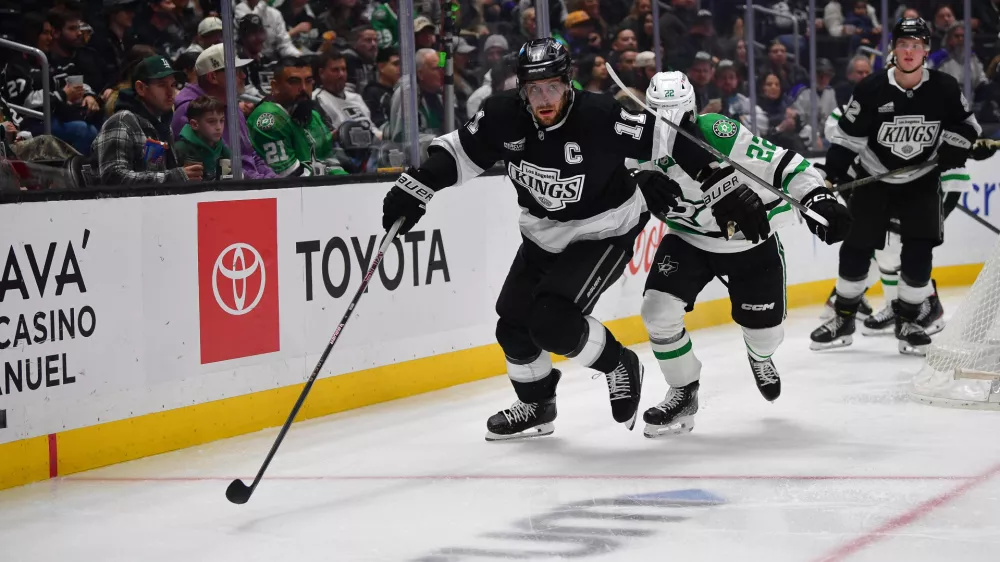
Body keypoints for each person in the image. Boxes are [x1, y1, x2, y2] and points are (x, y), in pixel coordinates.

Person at [379, 39, 761, 441]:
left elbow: (670, 139)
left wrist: (722, 183)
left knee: (552, 322)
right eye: (534, 89)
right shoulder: (501, 115)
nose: (544, 99)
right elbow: (458, 153)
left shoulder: (600, 115)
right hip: (542, 234)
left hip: (606, 230)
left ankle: (620, 365)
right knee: (513, 325)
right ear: (521, 89)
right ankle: (536, 406)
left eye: (553, 88)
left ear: (568, 84)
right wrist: (416, 186)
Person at [626, 71, 850, 438]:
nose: (665, 128)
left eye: (675, 118)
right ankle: (683, 392)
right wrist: (634, 180)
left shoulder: (716, 133)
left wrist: (817, 196)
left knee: (766, 337)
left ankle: (760, 357)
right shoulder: (636, 143)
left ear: (692, 113)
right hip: (689, 240)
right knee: (657, 313)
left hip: (750, 242)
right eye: (658, 116)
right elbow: (605, 175)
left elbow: (783, 164)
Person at [810, 17, 981, 356]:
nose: (909, 51)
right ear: (893, 48)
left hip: (921, 182)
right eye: (903, 44)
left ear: (926, 50)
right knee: (857, 249)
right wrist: (835, 173)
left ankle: (909, 322)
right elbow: (846, 138)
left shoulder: (944, 87)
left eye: (916, 45)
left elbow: (968, 125)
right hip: (876, 180)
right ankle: (844, 318)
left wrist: (953, 145)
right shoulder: (872, 87)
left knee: (918, 251)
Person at [91, 55, 202, 185]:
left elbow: (160, 172)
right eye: (161, 85)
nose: (170, 92)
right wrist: (175, 176)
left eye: (172, 84)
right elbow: (113, 177)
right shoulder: (121, 121)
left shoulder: (162, 124)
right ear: (141, 88)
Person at [172, 44, 277, 179]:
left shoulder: (231, 104)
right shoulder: (189, 111)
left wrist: (273, 179)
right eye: (236, 71)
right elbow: (218, 169)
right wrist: (261, 182)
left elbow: (250, 154)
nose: (244, 76)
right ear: (213, 77)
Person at [247, 57, 346, 177]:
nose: (303, 88)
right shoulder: (268, 118)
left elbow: (330, 162)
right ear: (275, 86)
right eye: (294, 82)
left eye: (308, 81)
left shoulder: (312, 115)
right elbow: (291, 177)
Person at [174, 95, 231, 181]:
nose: (219, 127)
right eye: (211, 121)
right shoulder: (180, 149)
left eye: (222, 120)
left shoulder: (223, 148)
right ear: (194, 124)